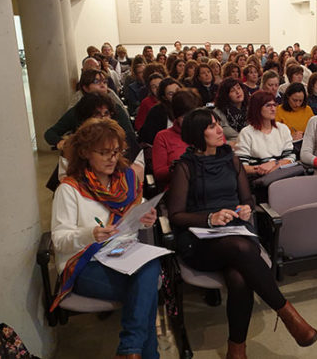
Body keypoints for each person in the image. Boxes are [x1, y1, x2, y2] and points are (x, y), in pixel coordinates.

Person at [166, 109, 317, 358]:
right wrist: (209, 218)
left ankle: (236, 349)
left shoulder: (232, 159)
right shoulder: (186, 167)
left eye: (218, 124)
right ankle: (287, 313)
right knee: (242, 248)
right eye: (212, 127)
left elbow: (246, 198)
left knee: (239, 278)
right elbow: (176, 215)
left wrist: (245, 209)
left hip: (235, 227)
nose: (219, 130)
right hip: (200, 238)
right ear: (197, 134)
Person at [51, 118, 160, 358]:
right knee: (146, 291)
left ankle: (130, 350)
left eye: (116, 151)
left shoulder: (126, 180)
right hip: (85, 263)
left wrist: (146, 217)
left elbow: (136, 212)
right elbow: (59, 239)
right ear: (85, 152)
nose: (112, 158)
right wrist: (89, 234)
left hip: (123, 255)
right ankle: (135, 351)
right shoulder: (69, 189)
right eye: (104, 152)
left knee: (150, 271)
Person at [46, 70, 140, 159]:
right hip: (84, 158)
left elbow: (129, 137)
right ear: (85, 88)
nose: (102, 85)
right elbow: (50, 133)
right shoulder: (78, 110)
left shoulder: (114, 108)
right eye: (97, 81)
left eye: (104, 81)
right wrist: (61, 142)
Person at [235, 91, 296, 176]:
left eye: (274, 105)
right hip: (259, 179)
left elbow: (290, 158)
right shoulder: (246, 133)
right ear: (257, 108)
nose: (273, 109)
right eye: (268, 105)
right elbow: (241, 166)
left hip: (283, 175)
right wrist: (261, 169)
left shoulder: (283, 129)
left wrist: (274, 164)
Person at [152, 89, 202, 190]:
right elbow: (159, 173)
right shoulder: (163, 137)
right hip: (179, 189)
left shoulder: (208, 131)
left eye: (193, 116)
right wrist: (178, 167)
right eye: (184, 117)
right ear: (176, 116)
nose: (189, 121)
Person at [139, 78, 185, 145]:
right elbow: (149, 137)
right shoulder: (156, 112)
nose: (176, 95)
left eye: (178, 91)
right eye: (171, 94)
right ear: (164, 97)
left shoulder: (190, 105)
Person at [213, 78, 249, 145]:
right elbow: (214, 140)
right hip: (230, 148)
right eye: (232, 91)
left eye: (239, 88)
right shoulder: (218, 113)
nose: (238, 92)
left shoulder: (250, 108)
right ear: (226, 95)